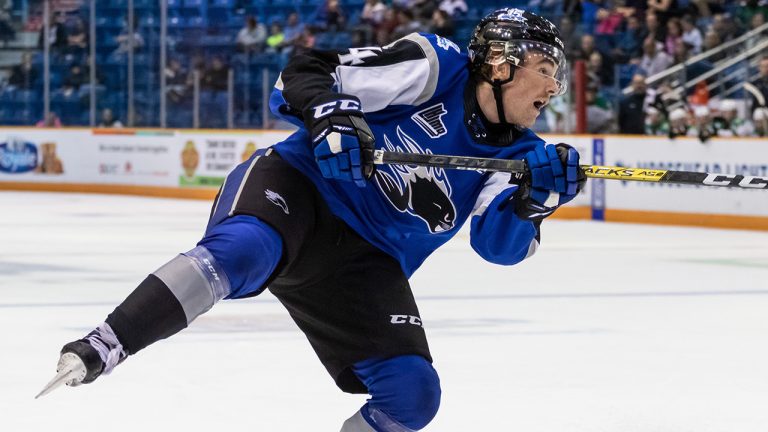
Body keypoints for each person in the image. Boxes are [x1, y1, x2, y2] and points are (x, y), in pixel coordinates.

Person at [42, 9, 585, 432]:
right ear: (500, 62)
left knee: (413, 394)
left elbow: (498, 248)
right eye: (545, 70)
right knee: (239, 254)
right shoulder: (435, 67)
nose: (553, 87)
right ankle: (105, 343)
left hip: (365, 264)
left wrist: (536, 199)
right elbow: (305, 70)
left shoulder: (524, 156)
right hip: (299, 189)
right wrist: (331, 114)